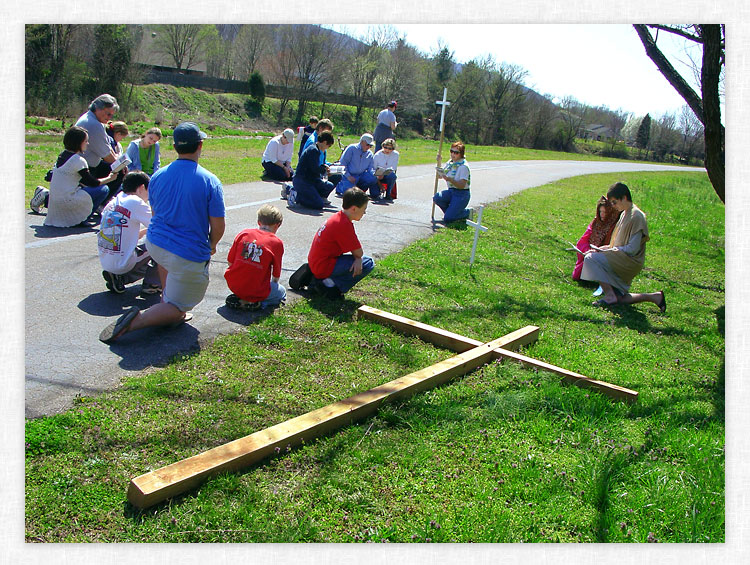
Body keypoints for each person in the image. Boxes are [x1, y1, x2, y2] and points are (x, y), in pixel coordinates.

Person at [99, 122, 226, 344]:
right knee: (180, 308)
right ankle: (137, 321)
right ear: (200, 145)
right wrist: (212, 245)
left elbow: (156, 212)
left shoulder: (158, 176)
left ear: (175, 146)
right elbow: (217, 225)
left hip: (156, 244)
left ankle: (165, 299)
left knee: (168, 264)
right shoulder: (210, 180)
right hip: (186, 252)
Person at [581, 182, 666, 311]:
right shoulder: (625, 213)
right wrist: (603, 249)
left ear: (624, 197)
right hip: (620, 256)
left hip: (630, 261)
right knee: (620, 298)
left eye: (615, 202)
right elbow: (616, 243)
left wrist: (609, 251)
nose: (614, 206)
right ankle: (655, 297)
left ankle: (609, 295)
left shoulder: (637, 216)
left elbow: (632, 249)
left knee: (590, 258)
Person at [288, 187, 374, 299]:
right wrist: (358, 259)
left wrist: (357, 257)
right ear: (354, 209)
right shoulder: (344, 225)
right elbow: (359, 253)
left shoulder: (337, 217)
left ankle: (316, 277)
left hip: (316, 261)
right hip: (323, 265)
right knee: (368, 263)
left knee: (359, 261)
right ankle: (330, 286)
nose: (364, 213)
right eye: (363, 209)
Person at [39, 126, 117, 227]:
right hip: (67, 200)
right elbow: (92, 183)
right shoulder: (78, 160)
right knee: (104, 189)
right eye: (86, 141)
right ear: (78, 143)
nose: (87, 144)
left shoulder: (62, 156)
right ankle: (84, 218)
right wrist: (110, 178)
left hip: (55, 202)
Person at [98, 171, 161, 295]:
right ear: (142, 187)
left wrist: (145, 231)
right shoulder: (135, 202)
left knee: (146, 242)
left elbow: (125, 234)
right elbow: (160, 226)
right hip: (121, 262)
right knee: (161, 243)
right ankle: (152, 283)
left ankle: (120, 278)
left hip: (106, 259)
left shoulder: (114, 201)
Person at [224, 204, 286, 311]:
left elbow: (230, 261)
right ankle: (256, 302)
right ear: (278, 225)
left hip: (234, 284)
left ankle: (241, 298)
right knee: (281, 292)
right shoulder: (276, 243)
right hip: (256, 289)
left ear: (259, 222)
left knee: (246, 285)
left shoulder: (244, 233)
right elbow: (276, 275)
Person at [572, 195, 622, 281]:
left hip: (605, 255)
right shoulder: (596, 222)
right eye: (600, 211)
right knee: (577, 275)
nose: (602, 214)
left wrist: (597, 251)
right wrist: (586, 250)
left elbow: (614, 246)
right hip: (590, 252)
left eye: (605, 212)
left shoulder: (614, 226)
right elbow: (582, 241)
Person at [75, 94, 120, 179]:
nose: (109, 117)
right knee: (119, 173)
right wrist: (120, 165)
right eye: (108, 114)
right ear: (97, 108)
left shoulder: (93, 118)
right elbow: (107, 156)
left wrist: (117, 159)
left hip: (86, 165)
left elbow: (107, 145)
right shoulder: (94, 124)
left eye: (111, 115)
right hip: (83, 170)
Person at [290, 131, 336, 210]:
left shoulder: (318, 150)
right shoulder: (313, 150)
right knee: (318, 204)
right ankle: (297, 195)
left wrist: (325, 167)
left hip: (311, 179)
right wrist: (325, 170)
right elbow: (314, 169)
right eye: (328, 145)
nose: (328, 148)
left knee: (329, 186)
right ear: (324, 142)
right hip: (303, 180)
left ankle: (314, 195)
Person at [433, 141, 472, 223]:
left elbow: (462, 185)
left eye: (456, 152)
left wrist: (450, 180)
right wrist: (439, 162)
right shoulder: (450, 163)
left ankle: (467, 213)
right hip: (451, 191)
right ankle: (452, 213)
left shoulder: (463, 166)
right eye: (451, 151)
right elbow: (440, 175)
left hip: (462, 194)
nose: (453, 154)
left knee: (448, 219)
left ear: (461, 154)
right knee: (437, 198)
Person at [334, 133, 380, 199]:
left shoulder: (370, 154)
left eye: (370, 146)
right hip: (349, 175)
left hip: (361, 175)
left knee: (372, 178)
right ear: (362, 142)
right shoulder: (351, 148)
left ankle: (372, 194)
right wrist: (348, 176)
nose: (369, 147)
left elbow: (371, 168)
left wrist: (376, 174)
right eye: (367, 145)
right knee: (349, 195)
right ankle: (340, 187)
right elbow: (342, 164)